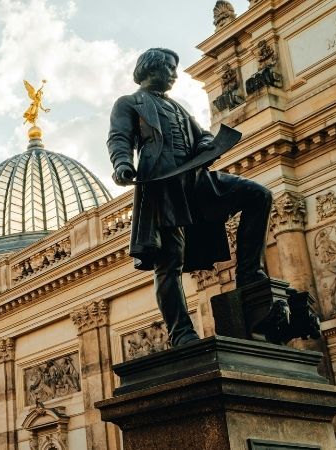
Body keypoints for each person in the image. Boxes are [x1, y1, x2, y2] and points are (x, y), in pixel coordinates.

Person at [107, 48, 273, 347]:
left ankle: (249, 275)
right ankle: (181, 332)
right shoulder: (130, 103)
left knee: (258, 195)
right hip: (163, 182)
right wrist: (122, 164)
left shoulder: (179, 108)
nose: (174, 74)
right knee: (169, 259)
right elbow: (119, 138)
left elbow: (201, 136)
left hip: (195, 178)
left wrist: (207, 145)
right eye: (169, 68)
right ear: (150, 69)